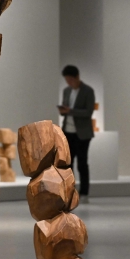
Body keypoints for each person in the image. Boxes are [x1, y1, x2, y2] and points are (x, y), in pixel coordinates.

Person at [58, 65, 96, 202]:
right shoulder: (66, 91)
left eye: (70, 79)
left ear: (77, 77)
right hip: (67, 132)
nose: (68, 82)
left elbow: (88, 112)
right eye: (66, 80)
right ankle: (69, 192)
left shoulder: (88, 91)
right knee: (67, 164)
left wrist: (70, 111)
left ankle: (84, 192)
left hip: (82, 134)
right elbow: (65, 108)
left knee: (82, 163)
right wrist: (63, 111)